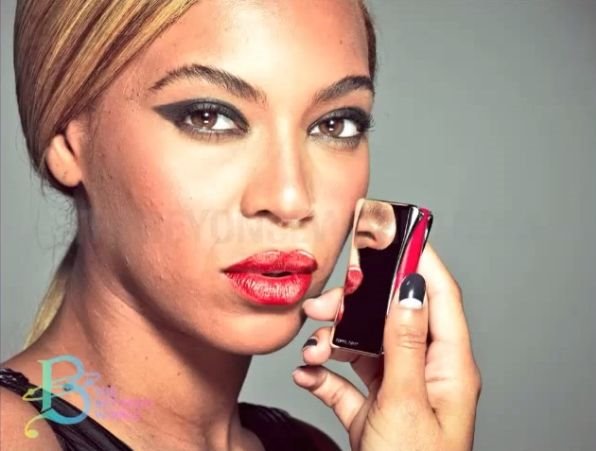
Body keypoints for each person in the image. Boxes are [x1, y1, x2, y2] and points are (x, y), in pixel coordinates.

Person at [0, 0, 481, 449]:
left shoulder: (306, 444)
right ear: (68, 142)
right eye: (209, 117)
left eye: (335, 124)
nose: (291, 200)